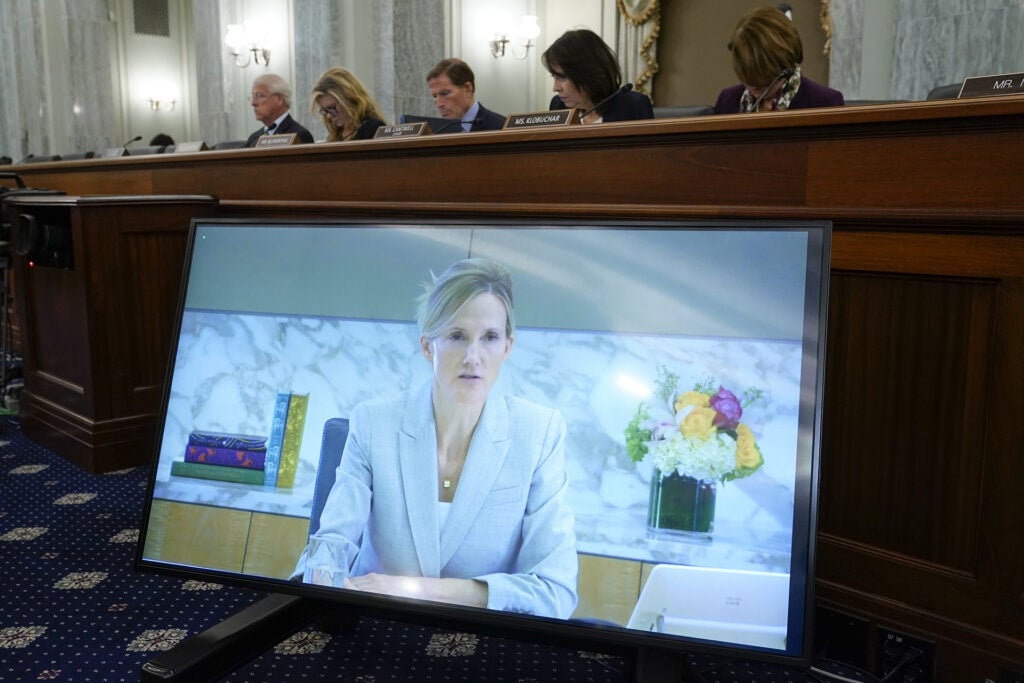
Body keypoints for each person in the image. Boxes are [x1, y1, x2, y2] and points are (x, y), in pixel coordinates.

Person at [297, 258, 578, 620]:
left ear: (507, 347)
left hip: (481, 638)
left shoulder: (539, 433)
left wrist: (417, 590)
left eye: (490, 338)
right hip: (376, 624)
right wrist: (321, 581)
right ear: (427, 346)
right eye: (457, 336)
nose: (473, 357)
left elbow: (555, 592)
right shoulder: (373, 423)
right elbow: (330, 546)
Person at [713, 6, 845, 114]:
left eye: (763, 77)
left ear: (785, 64)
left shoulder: (826, 102)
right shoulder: (727, 101)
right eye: (747, 77)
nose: (754, 86)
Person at [542, 29, 654, 124]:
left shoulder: (634, 106)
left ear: (587, 73)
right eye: (554, 77)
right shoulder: (558, 105)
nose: (555, 88)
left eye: (562, 78)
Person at [426, 58, 507, 132]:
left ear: (468, 89)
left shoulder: (502, 128)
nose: (439, 104)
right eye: (435, 96)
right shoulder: (436, 131)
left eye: (445, 94)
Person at [310, 67, 386, 142]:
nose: (328, 116)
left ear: (349, 101)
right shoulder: (338, 133)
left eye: (332, 108)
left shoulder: (373, 129)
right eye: (325, 111)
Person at [243, 73, 315, 147]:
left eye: (259, 96)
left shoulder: (299, 135)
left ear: (279, 99)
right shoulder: (253, 138)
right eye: (253, 97)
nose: (253, 103)